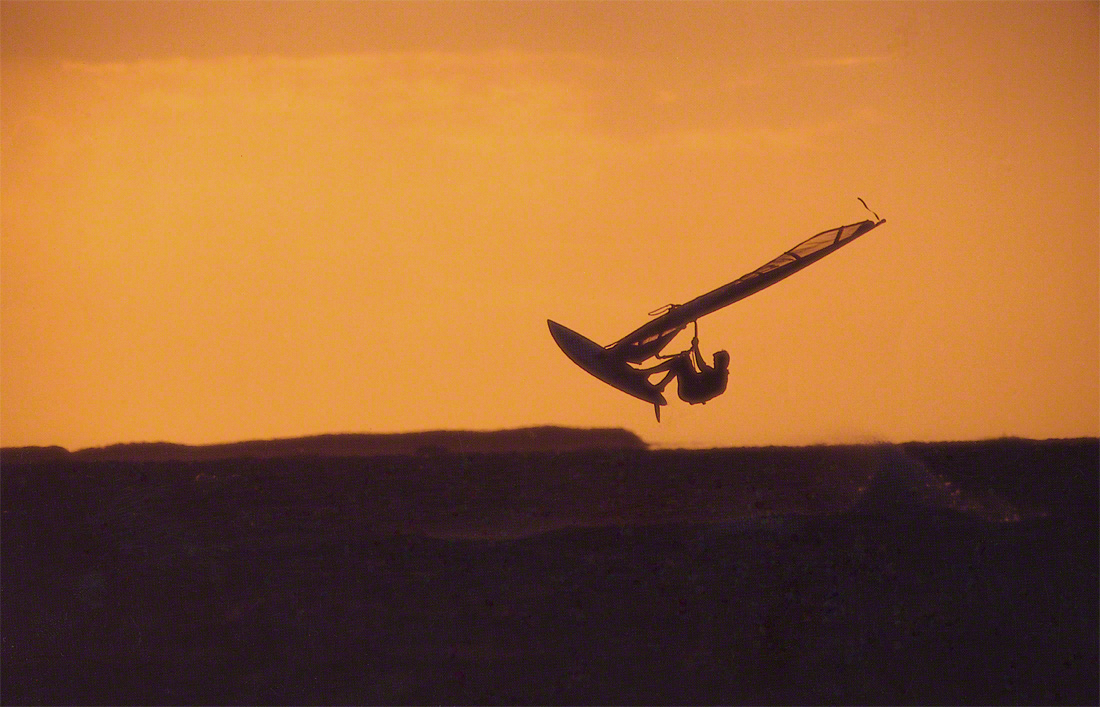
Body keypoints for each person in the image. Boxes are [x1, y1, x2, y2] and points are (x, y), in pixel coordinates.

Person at [638, 333, 730, 411]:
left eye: (715, 361)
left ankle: (648, 374)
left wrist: (696, 347)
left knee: (680, 362)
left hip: (689, 392)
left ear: (722, 362)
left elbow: (701, 365)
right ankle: (659, 385)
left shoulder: (718, 377)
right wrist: (693, 349)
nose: (714, 362)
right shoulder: (718, 374)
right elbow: (702, 367)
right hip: (692, 390)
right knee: (681, 362)